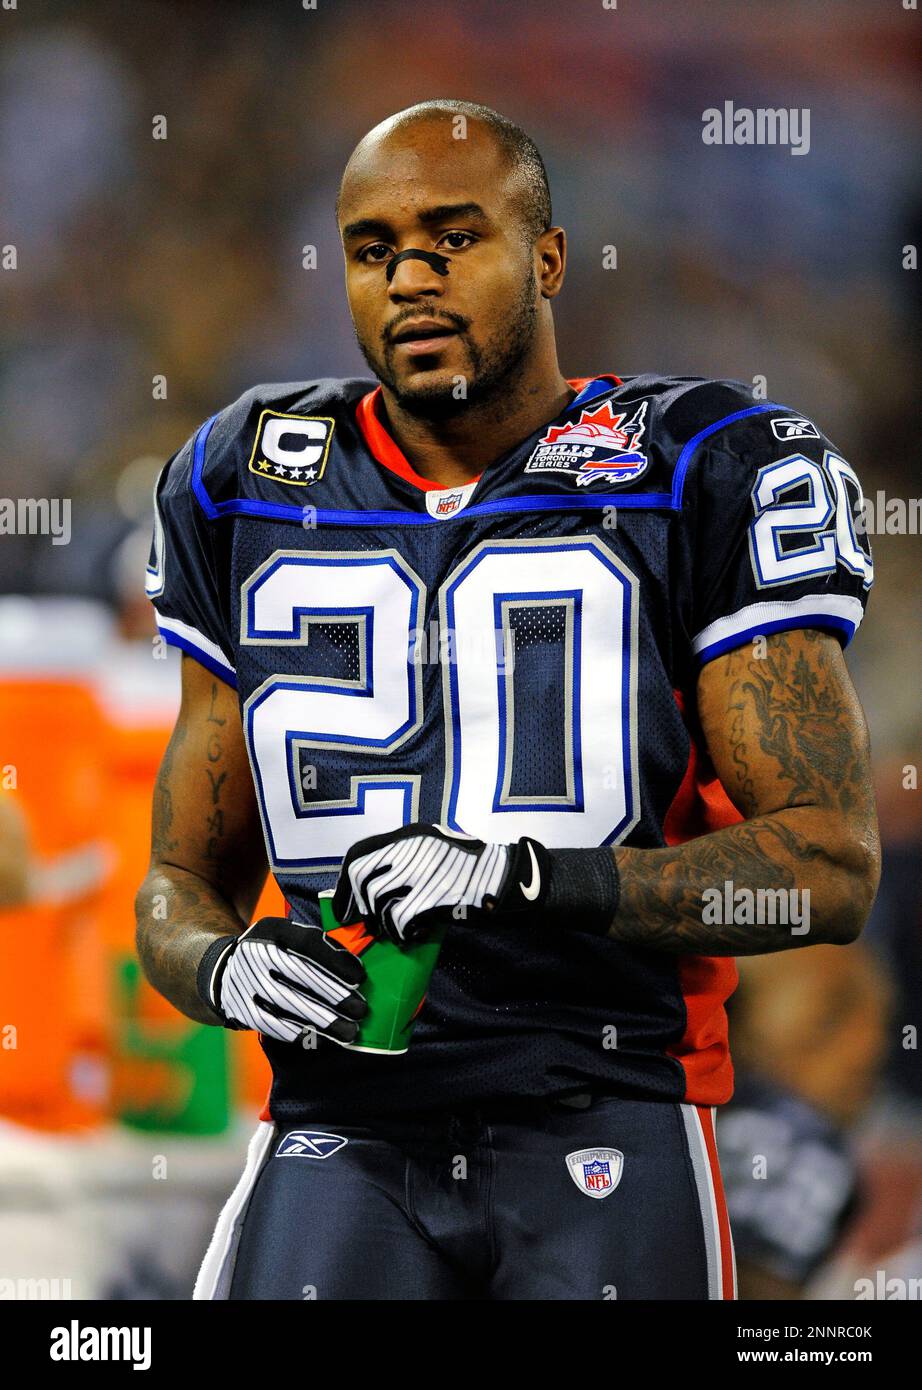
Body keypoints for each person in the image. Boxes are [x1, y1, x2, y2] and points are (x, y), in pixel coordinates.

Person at [135, 100, 880, 1301]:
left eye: (452, 237)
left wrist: (527, 877)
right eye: (374, 249)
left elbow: (829, 866)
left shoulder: (701, 462)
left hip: (604, 1097)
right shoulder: (242, 478)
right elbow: (176, 884)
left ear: (547, 257)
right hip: (341, 1123)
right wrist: (222, 966)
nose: (411, 277)